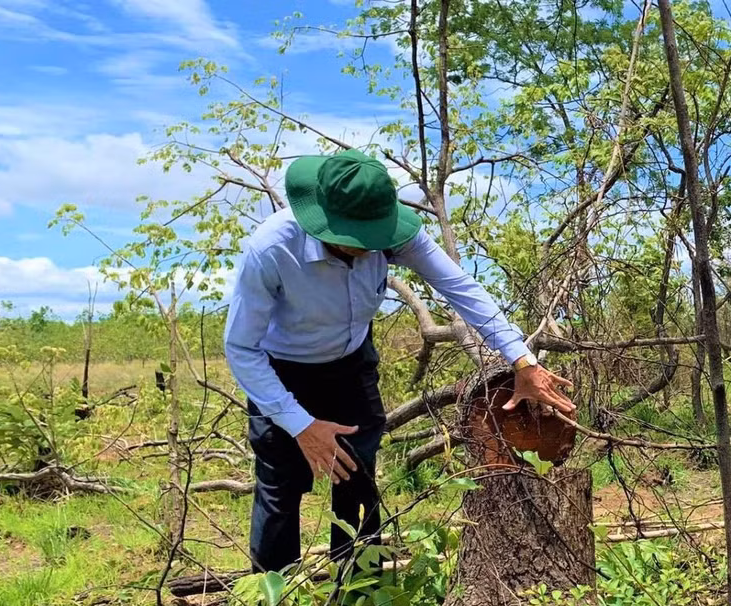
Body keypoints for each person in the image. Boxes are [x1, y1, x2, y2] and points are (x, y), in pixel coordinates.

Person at [224, 147, 576, 574]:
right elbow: (241, 347)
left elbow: (459, 287)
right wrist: (300, 425)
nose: (370, 248)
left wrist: (523, 361)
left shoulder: (391, 231)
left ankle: (360, 595)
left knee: (357, 477)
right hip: (282, 370)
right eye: (357, 239)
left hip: (350, 364)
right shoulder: (273, 249)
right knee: (282, 485)